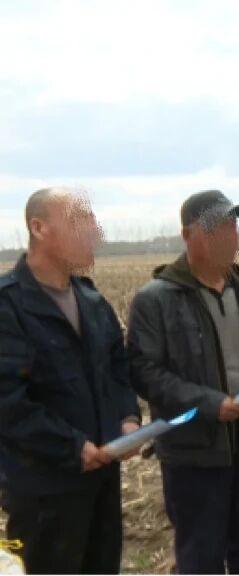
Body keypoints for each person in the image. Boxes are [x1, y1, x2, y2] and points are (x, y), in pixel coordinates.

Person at [127, 190, 239, 573]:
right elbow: (146, 372)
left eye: (233, 226)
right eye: (216, 228)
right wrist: (211, 404)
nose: (229, 236)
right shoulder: (156, 299)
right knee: (201, 558)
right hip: (194, 454)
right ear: (187, 235)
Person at [0, 188, 141, 573]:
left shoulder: (92, 301)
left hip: (102, 482)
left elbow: (117, 369)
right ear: (38, 228)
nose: (94, 231)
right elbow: (8, 402)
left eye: (92, 220)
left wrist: (128, 418)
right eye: (80, 220)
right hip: (44, 493)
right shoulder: (9, 306)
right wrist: (72, 447)